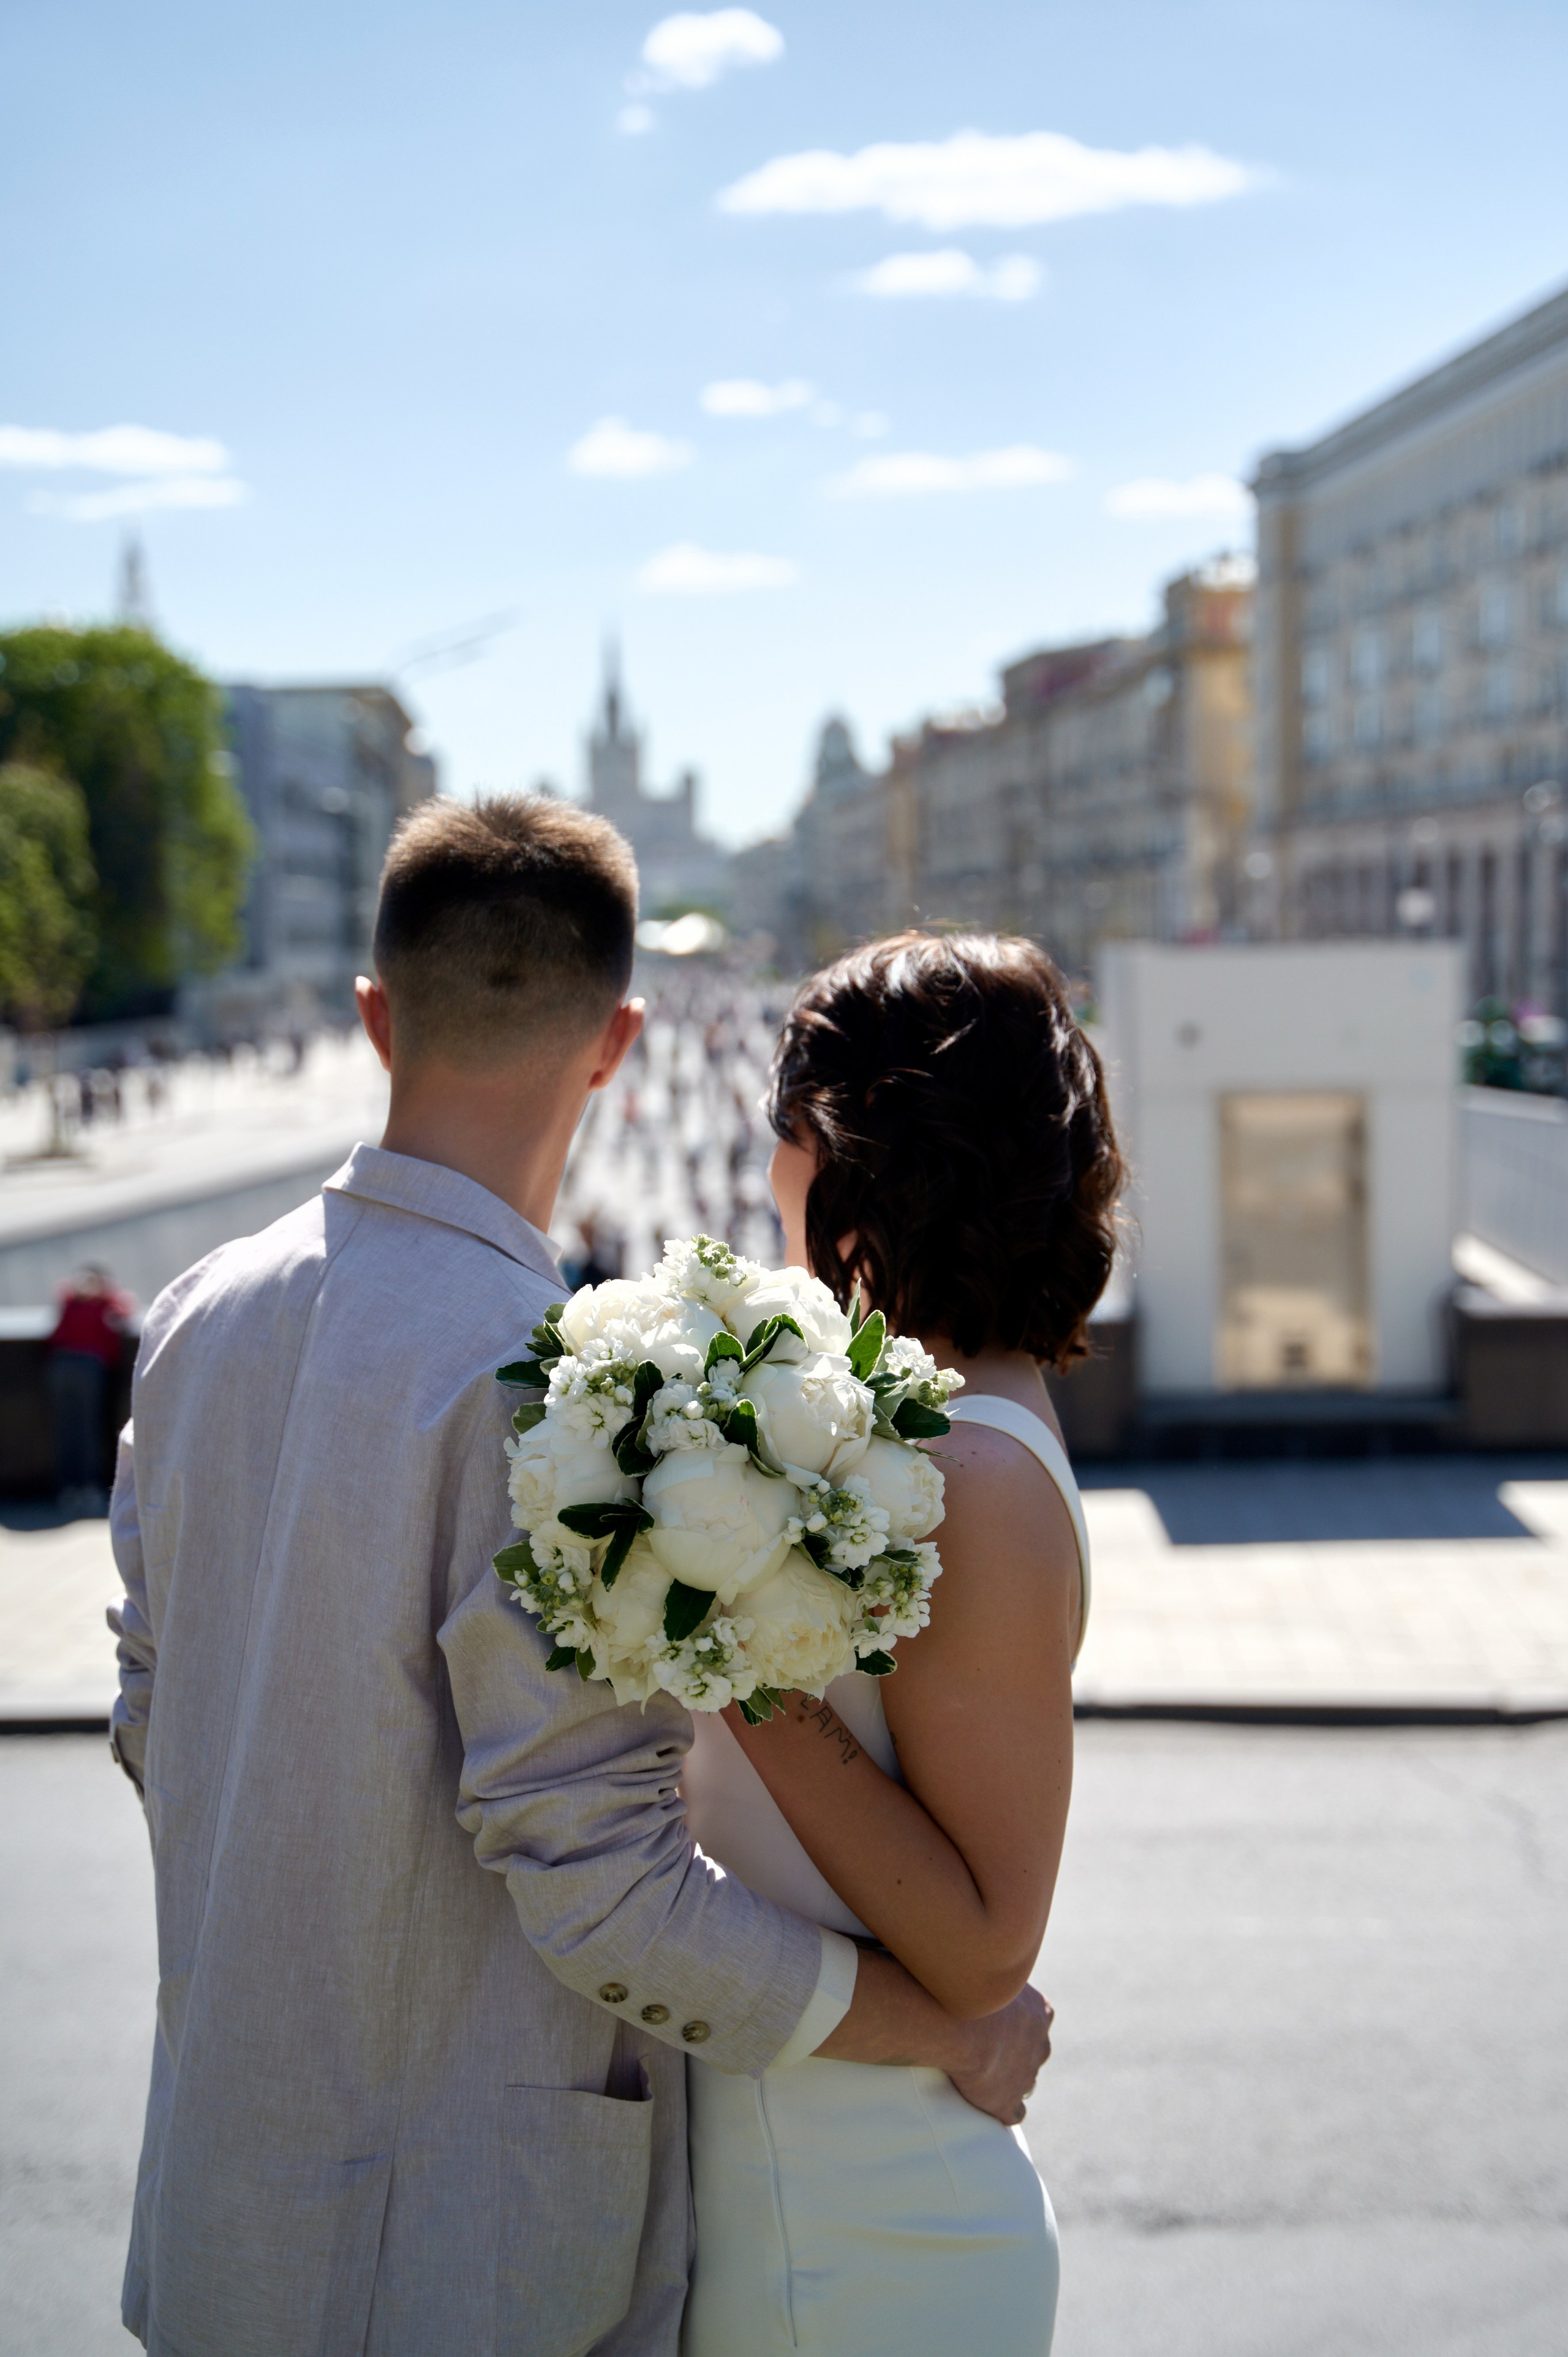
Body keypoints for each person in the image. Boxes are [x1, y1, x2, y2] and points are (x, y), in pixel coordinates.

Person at [107, 801, 1051, 2357]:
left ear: (371, 1015)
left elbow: (156, 1716)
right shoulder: (551, 1391)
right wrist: (938, 2024)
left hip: (222, 2211)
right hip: (463, 2254)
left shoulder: (198, 1313)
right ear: (617, 1041)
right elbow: (602, 1884)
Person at [679, 931, 1125, 2357]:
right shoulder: (942, 1421)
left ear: (857, 1153)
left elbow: (987, 1943)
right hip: (801, 2188)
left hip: (855, 2232)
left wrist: (731, 1657)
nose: (764, 1177)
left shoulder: (975, 1473)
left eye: (784, 1133)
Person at [46, 1263, 133, 1515]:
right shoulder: (73, 1303)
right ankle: (72, 1487)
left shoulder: (103, 1305)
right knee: (72, 1430)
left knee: (84, 1430)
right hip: (74, 1368)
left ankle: (83, 1487)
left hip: (80, 1368)